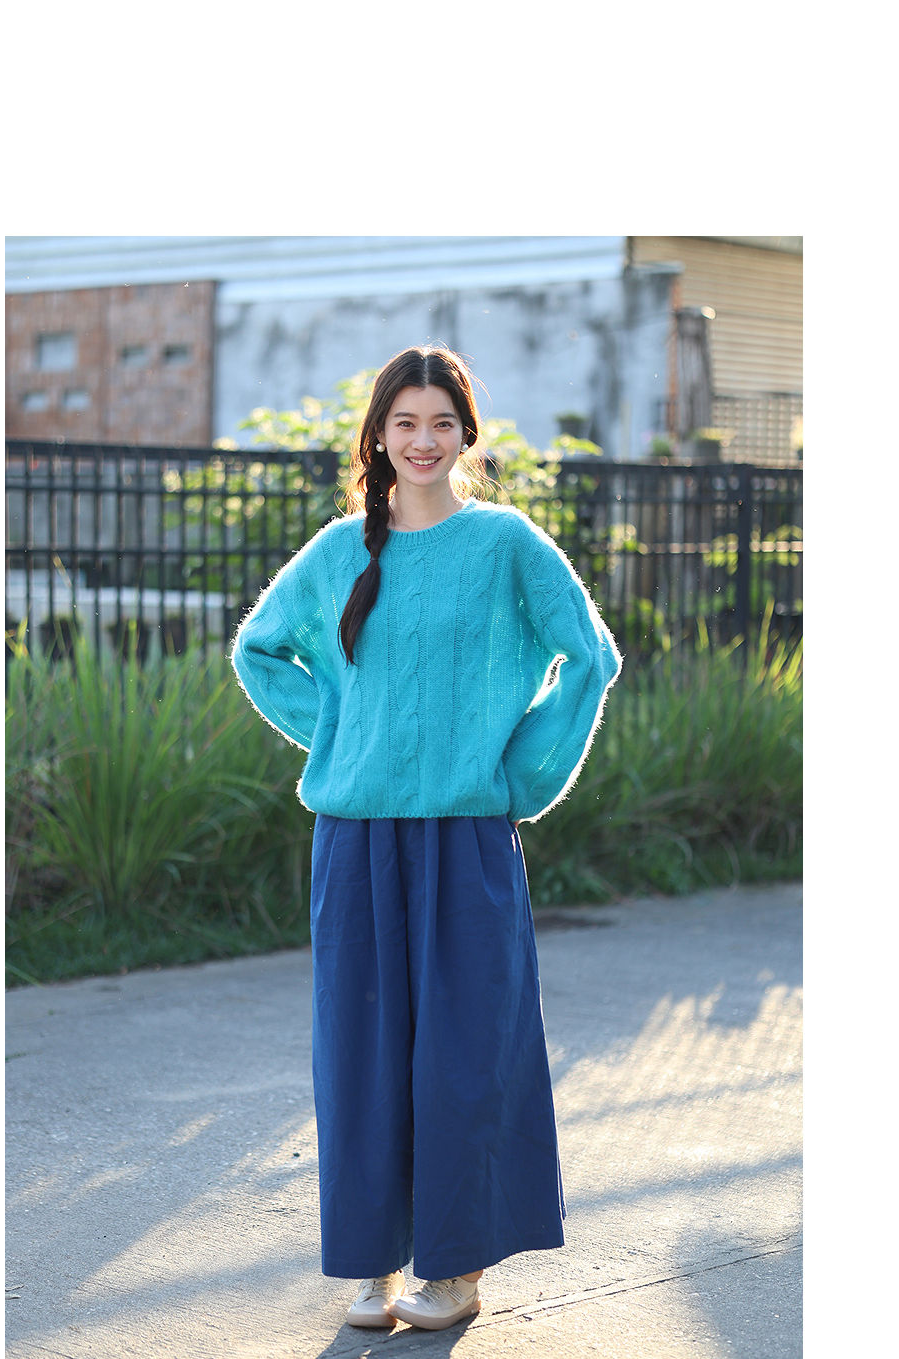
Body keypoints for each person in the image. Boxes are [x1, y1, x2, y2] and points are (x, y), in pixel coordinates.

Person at [231, 345, 622, 1332]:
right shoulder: (339, 552)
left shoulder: (504, 544)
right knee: (360, 1061)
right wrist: (343, 736)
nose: (422, 440)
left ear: (466, 436)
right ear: (378, 435)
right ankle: (369, 1266)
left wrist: (520, 777)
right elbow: (259, 651)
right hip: (355, 842)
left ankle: (453, 1272)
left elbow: (589, 655)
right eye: (404, 422)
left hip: (467, 842)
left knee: (465, 1057)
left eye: (441, 422)